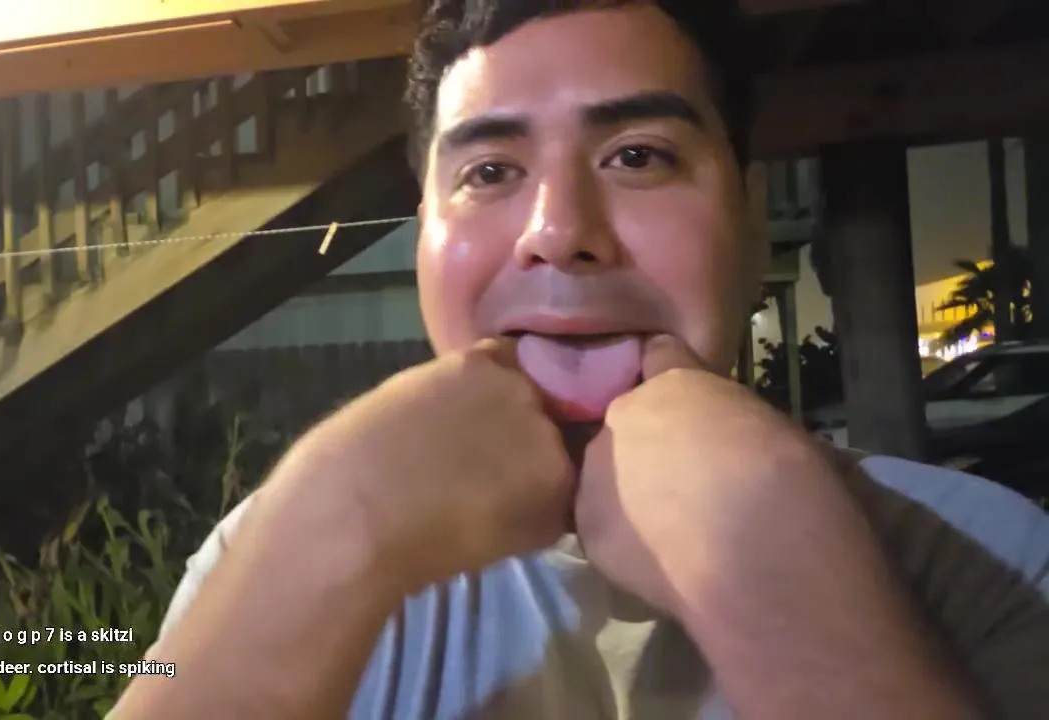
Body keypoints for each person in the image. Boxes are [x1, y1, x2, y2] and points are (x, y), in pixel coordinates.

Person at [111, 0, 1049, 717]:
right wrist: (332, 535)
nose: (559, 233)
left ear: (751, 219)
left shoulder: (992, 561)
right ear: (425, 237)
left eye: (638, 156)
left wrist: (781, 566)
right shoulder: (269, 557)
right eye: (489, 172)